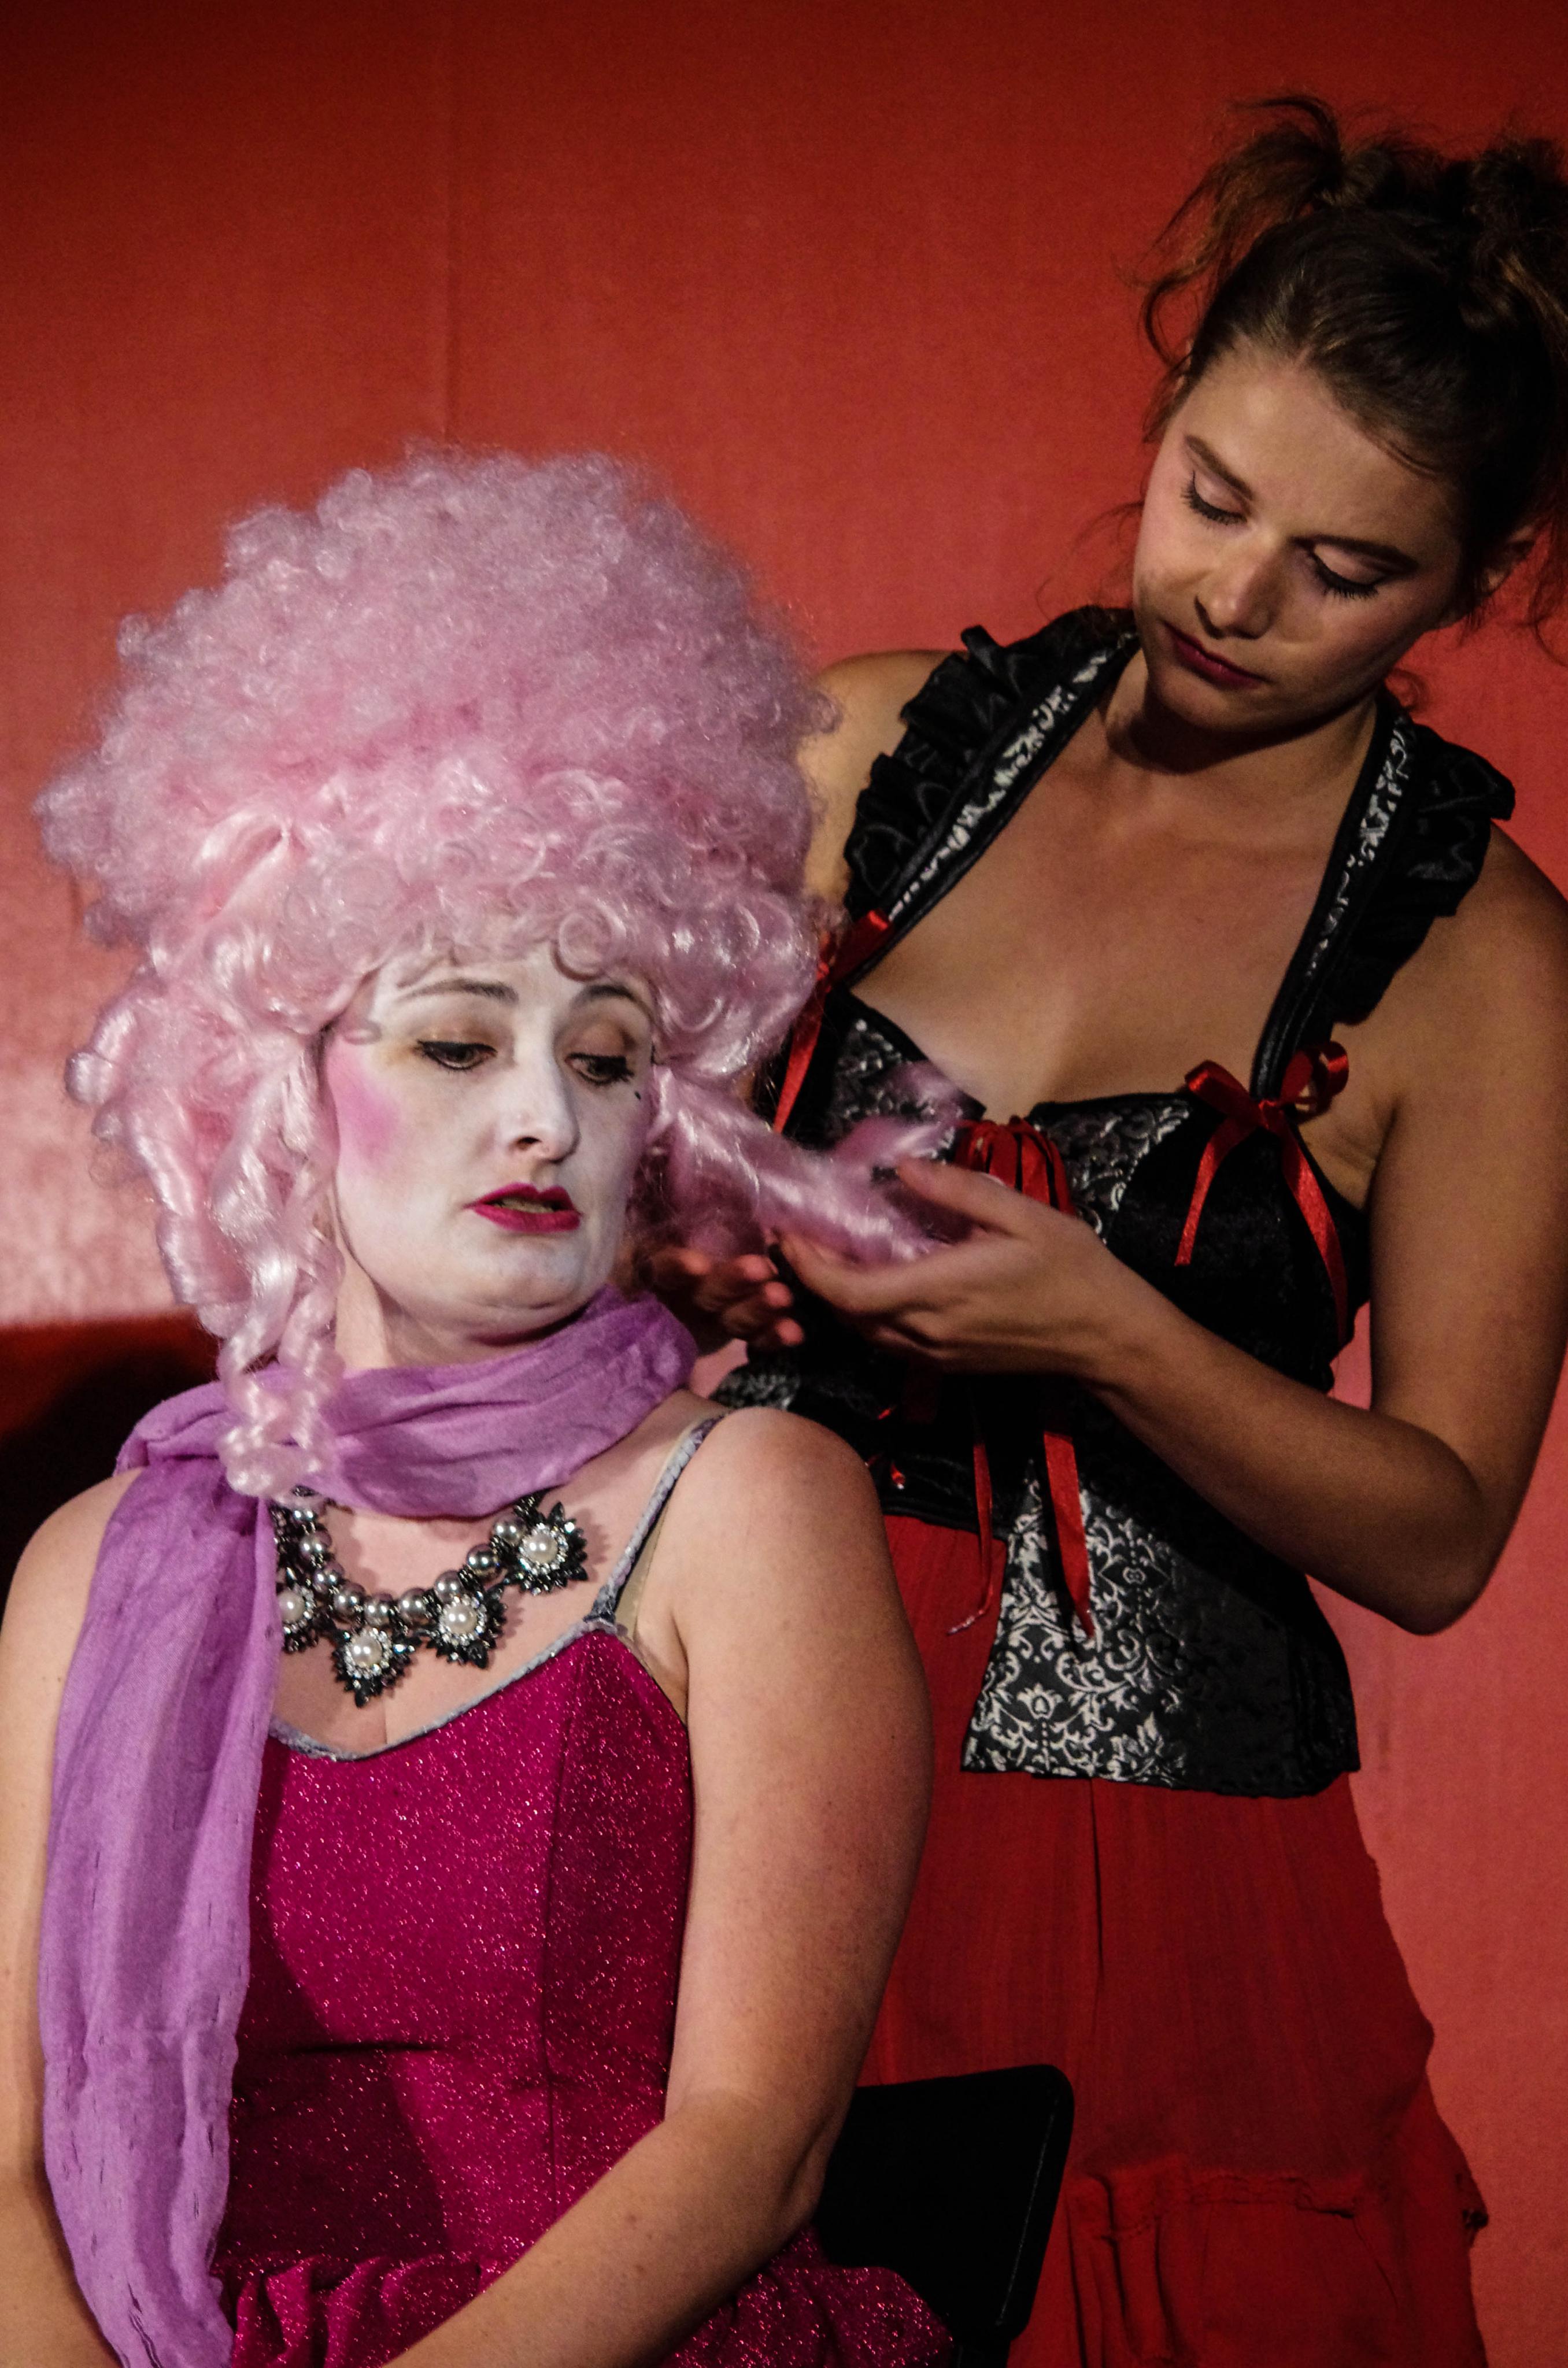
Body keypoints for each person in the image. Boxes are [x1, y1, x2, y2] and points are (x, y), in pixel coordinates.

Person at [668, 98, 1568, 2366]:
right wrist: (682, 1252)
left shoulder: (1478, 963)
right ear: (1167, 414)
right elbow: (566, 1171)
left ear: (1475, 584)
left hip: (1142, 1854)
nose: (1235, 596)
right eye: (1214, 494)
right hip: (730, 1712)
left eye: (1347, 567)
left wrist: (1110, 1330)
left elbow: (1444, 1533)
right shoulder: (868, 752)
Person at [0, 454, 956, 2368]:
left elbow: (753, 2149)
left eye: (606, 1061)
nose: (541, 1116)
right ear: (281, 1088)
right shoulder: (100, 1566)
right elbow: (4, 2171)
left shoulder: (752, 1503)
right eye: (456, 1042)